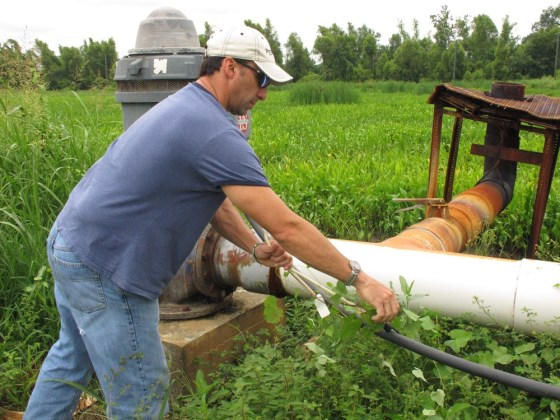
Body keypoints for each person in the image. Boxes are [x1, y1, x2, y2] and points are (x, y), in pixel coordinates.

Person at [24, 25, 400, 419]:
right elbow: (288, 228)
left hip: (73, 244)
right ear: (230, 67)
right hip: (109, 268)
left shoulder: (188, 106)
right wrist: (359, 279)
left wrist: (253, 248)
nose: (265, 93)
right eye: (262, 78)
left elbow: (217, 205)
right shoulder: (213, 132)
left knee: (71, 358)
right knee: (142, 396)